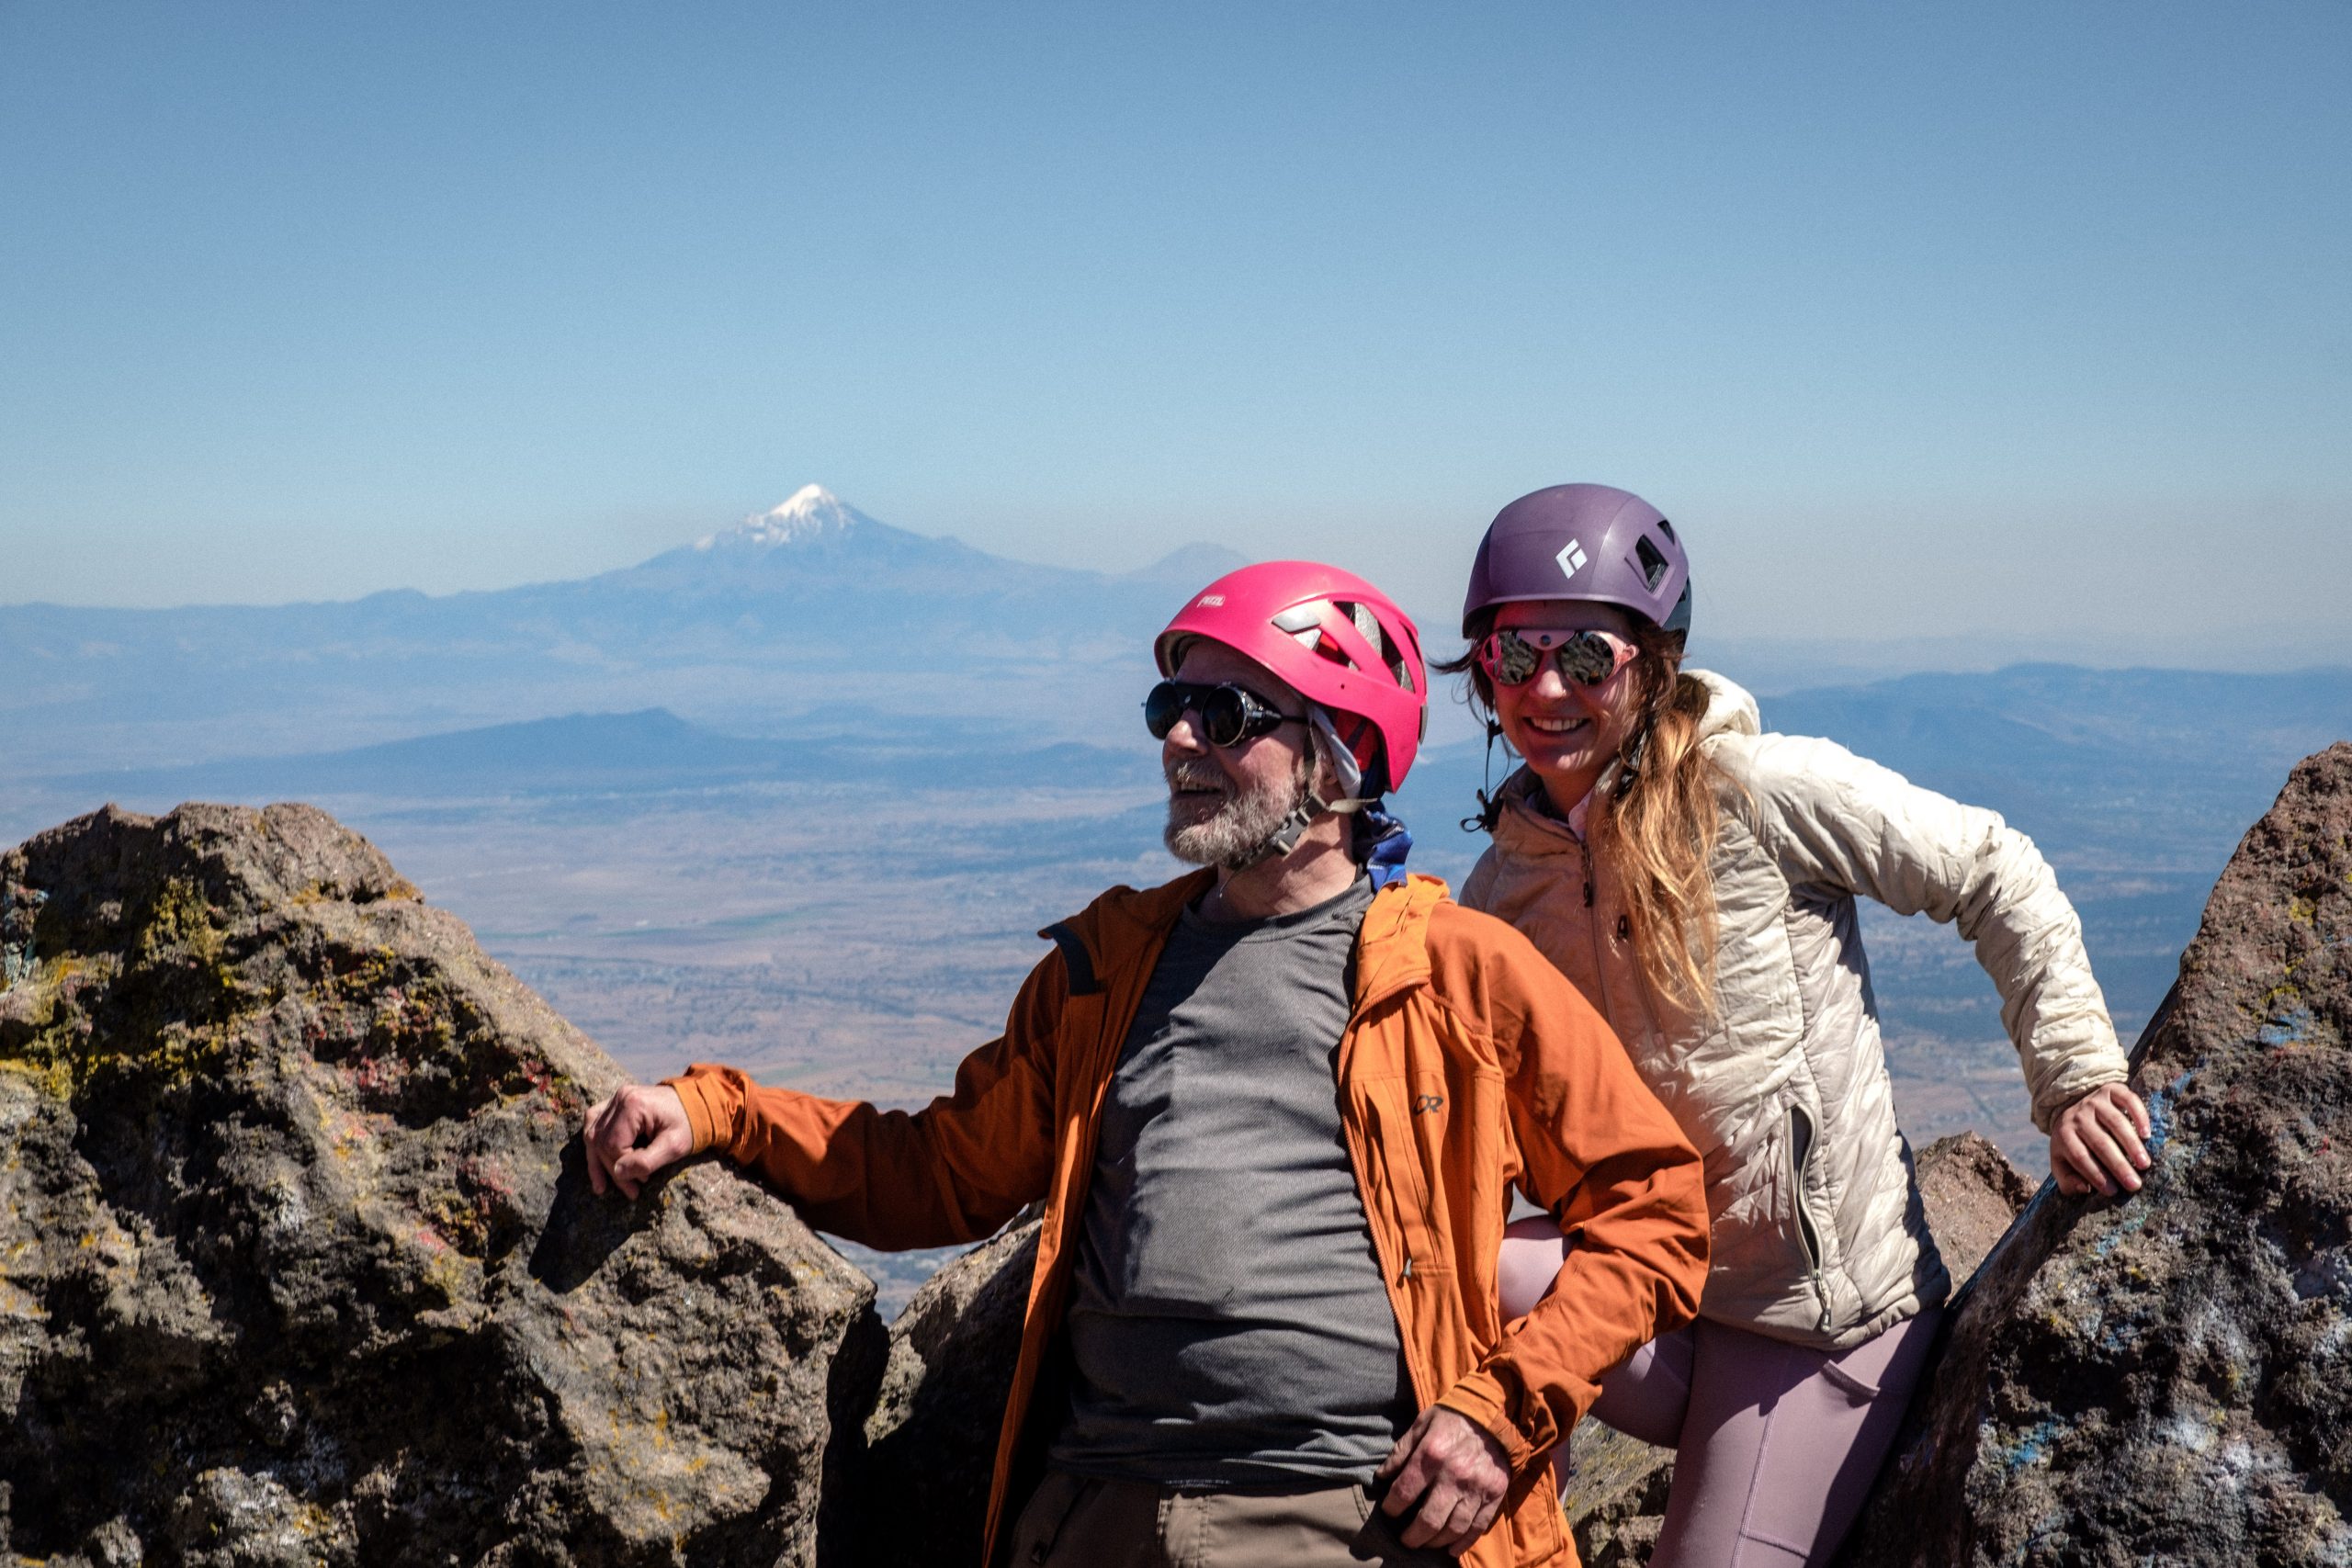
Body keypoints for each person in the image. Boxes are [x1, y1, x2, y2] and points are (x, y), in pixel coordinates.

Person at [582, 560, 1712, 1568]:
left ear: (1339, 753)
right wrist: (715, 1113)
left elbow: (1652, 1208)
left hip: (1343, 1518)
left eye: (1223, 714)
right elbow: (940, 1169)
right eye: (1170, 709)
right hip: (1098, 1511)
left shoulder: (1460, 972)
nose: (1180, 742)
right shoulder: (1109, 966)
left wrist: (1497, 1413)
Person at [1452, 484, 2153, 1568]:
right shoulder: (1504, 887)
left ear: (1653, 659)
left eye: (1584, 657)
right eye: (1510, 656)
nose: (1544, 689)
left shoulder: (1759, 794)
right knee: (1449, 1272)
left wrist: (2075, 1080)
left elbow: (1990, 869)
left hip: (1807, 1324)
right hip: (1653, 1296)